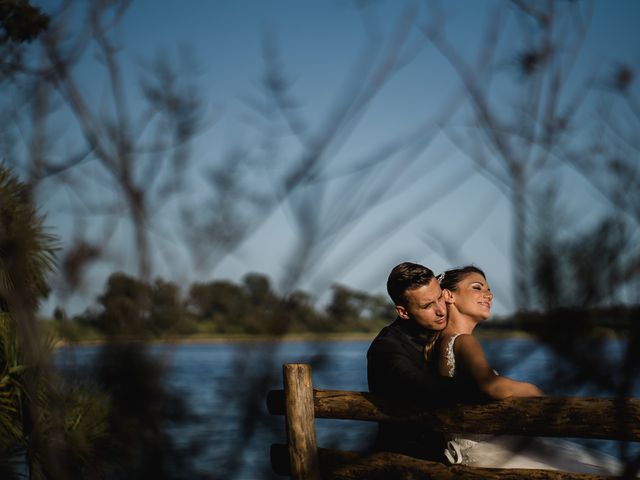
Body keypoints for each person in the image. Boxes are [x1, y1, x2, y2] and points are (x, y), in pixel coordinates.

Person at [433, 265, 622, 474]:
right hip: (488, 452)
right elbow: (491, 386)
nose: (488, 295)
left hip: (472, 449)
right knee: (602, 469)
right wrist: (532, 390)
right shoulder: (464, 341)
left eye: (489, 290)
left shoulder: (439, 343)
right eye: (477, 288)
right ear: (449, 295)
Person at [366, 262, 474, 460]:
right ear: (403, 312)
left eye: (440, 297)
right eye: (427, 306)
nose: (441, 310)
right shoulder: (386, 348)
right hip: (406, 463)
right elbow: (422, 385)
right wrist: (486, 388)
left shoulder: (447, 335)